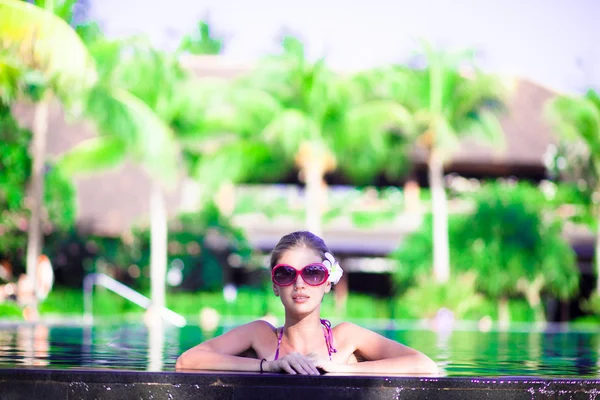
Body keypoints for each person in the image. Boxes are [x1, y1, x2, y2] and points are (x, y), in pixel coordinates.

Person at [176, 231, 437, 375]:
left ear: (327, 282)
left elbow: (424, 366)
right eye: (286, 273)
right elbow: (187, 361)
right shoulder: (259, 335)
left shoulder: (345, 338)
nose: (299, 284)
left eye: (312, 273)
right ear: (275, 284)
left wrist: (341, 369)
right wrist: (267, 366)